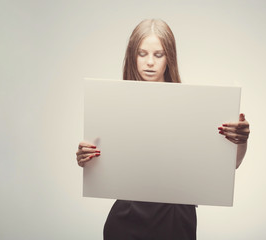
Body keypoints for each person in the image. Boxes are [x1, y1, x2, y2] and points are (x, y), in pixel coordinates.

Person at [76, 19, 250, 240]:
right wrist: (86, 157)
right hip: (125, 219)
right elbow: (100, 161)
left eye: (158, 54)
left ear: (169, 58)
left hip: (175, 220)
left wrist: (241, 140)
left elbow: (230, 165)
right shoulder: (114, 103)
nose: (150, 62)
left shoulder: (194, 105)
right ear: (132, 56)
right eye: (142, 54)